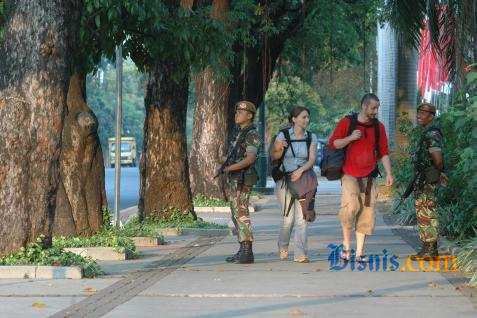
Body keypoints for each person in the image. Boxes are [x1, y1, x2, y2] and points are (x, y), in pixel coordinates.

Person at [328, 93, 393, 262]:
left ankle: (359, 252)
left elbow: (384, 152)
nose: (375, 111)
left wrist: (389, 173)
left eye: (377, 108)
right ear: (364, 106)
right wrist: (350, 138)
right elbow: (334, 143)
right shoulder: (347, 122)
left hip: (370, 175)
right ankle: (346, 247)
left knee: (367, 213)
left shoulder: (379, 127)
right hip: (349, 173)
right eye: (373, 108)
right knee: (350, 208)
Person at [270, 106, 318, 263]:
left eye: (308, 117)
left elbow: (311, 160)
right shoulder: (282, 135)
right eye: (303, 117)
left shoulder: (312, 137)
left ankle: (300, 253)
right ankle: (283, 246)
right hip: (285, 180)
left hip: (303, 180)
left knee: (302, 218)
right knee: (288, 219)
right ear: (294, 119)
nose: (307, 120)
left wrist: (301, 170)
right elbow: (274, 156)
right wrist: (278, 148)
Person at [220, 100, 261, 264]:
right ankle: (242, 248)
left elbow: (250, 159)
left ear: (249, 115)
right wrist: (224, 162)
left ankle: (247, 251)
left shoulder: (252, 134)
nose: (237, 114)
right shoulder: (239, 132)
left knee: (242, 213)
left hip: (243, 178)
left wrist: (230, 168)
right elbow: (236, 156)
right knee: (235, 213)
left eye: (241, 112)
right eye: (236, 111)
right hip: (235, 178)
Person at [409, 102, 446, 260]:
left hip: (428, 179)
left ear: (431, 116)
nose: (419, 115)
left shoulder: (432, 134)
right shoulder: (427, 132)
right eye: (419, 112)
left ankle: (430, 250)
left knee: (427, 212)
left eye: (423, 113)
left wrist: (434, 173)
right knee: (424, 211)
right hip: (424, 178)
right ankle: (428, 248)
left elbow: (437, 159)